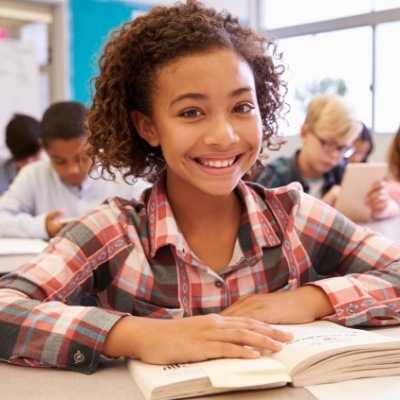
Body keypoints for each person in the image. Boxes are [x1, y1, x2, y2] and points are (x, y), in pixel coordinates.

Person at [0, 0, 399, 375]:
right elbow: (6, 307)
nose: (223, 136)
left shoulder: (294, 216)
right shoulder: (115, 233)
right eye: (191, 112)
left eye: (242, 107)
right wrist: (137, 335)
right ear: (148, 127)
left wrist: (309, 300)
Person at [0, 101, 150, 239]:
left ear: (96, 144)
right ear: (44, 149)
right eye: (59, 161)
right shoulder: (33, 175)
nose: (72, 170)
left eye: (82, 158)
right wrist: (42, 227)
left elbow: (157, 211)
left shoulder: (123, 174)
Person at [254, 94, 395, 219]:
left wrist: (383, 207)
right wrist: (321, 208)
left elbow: (394, 209)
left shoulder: (344, 172)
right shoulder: (276, 176)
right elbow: (260, 226)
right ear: (304, 133)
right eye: (328, 144)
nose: (335, 155)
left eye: (342, 148)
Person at [0, 113, 42, 195]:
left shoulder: (54, 171)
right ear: (11, 151)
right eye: (23, 159)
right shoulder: (3, 171)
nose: (29, 163)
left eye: (34, 156)